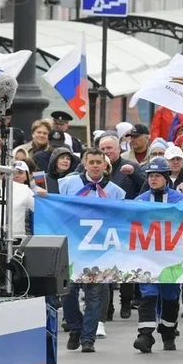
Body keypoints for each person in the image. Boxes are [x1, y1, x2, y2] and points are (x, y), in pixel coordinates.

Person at [58, 148, 127, 352]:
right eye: (92, 162)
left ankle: (88, 338)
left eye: (99, 162)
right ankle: (76, 328)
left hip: (100, 248)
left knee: (95, 295)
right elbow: (58, 208)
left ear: (105, 166)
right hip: (73, 246)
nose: (96, 165)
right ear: (85, 164)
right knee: (68, 292)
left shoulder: (115, 191)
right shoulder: (68, 184)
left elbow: (121, 217)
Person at [132, 157, 183, 354]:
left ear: (166, 178)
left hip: (172, 258)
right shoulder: (139, 201)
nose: (153, 179)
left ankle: (168, 332)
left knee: (170, 296)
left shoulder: (180, 200)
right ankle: (145, 335)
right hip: (146, 257)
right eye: (150, 176)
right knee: (148, 294)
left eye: (157, 176)